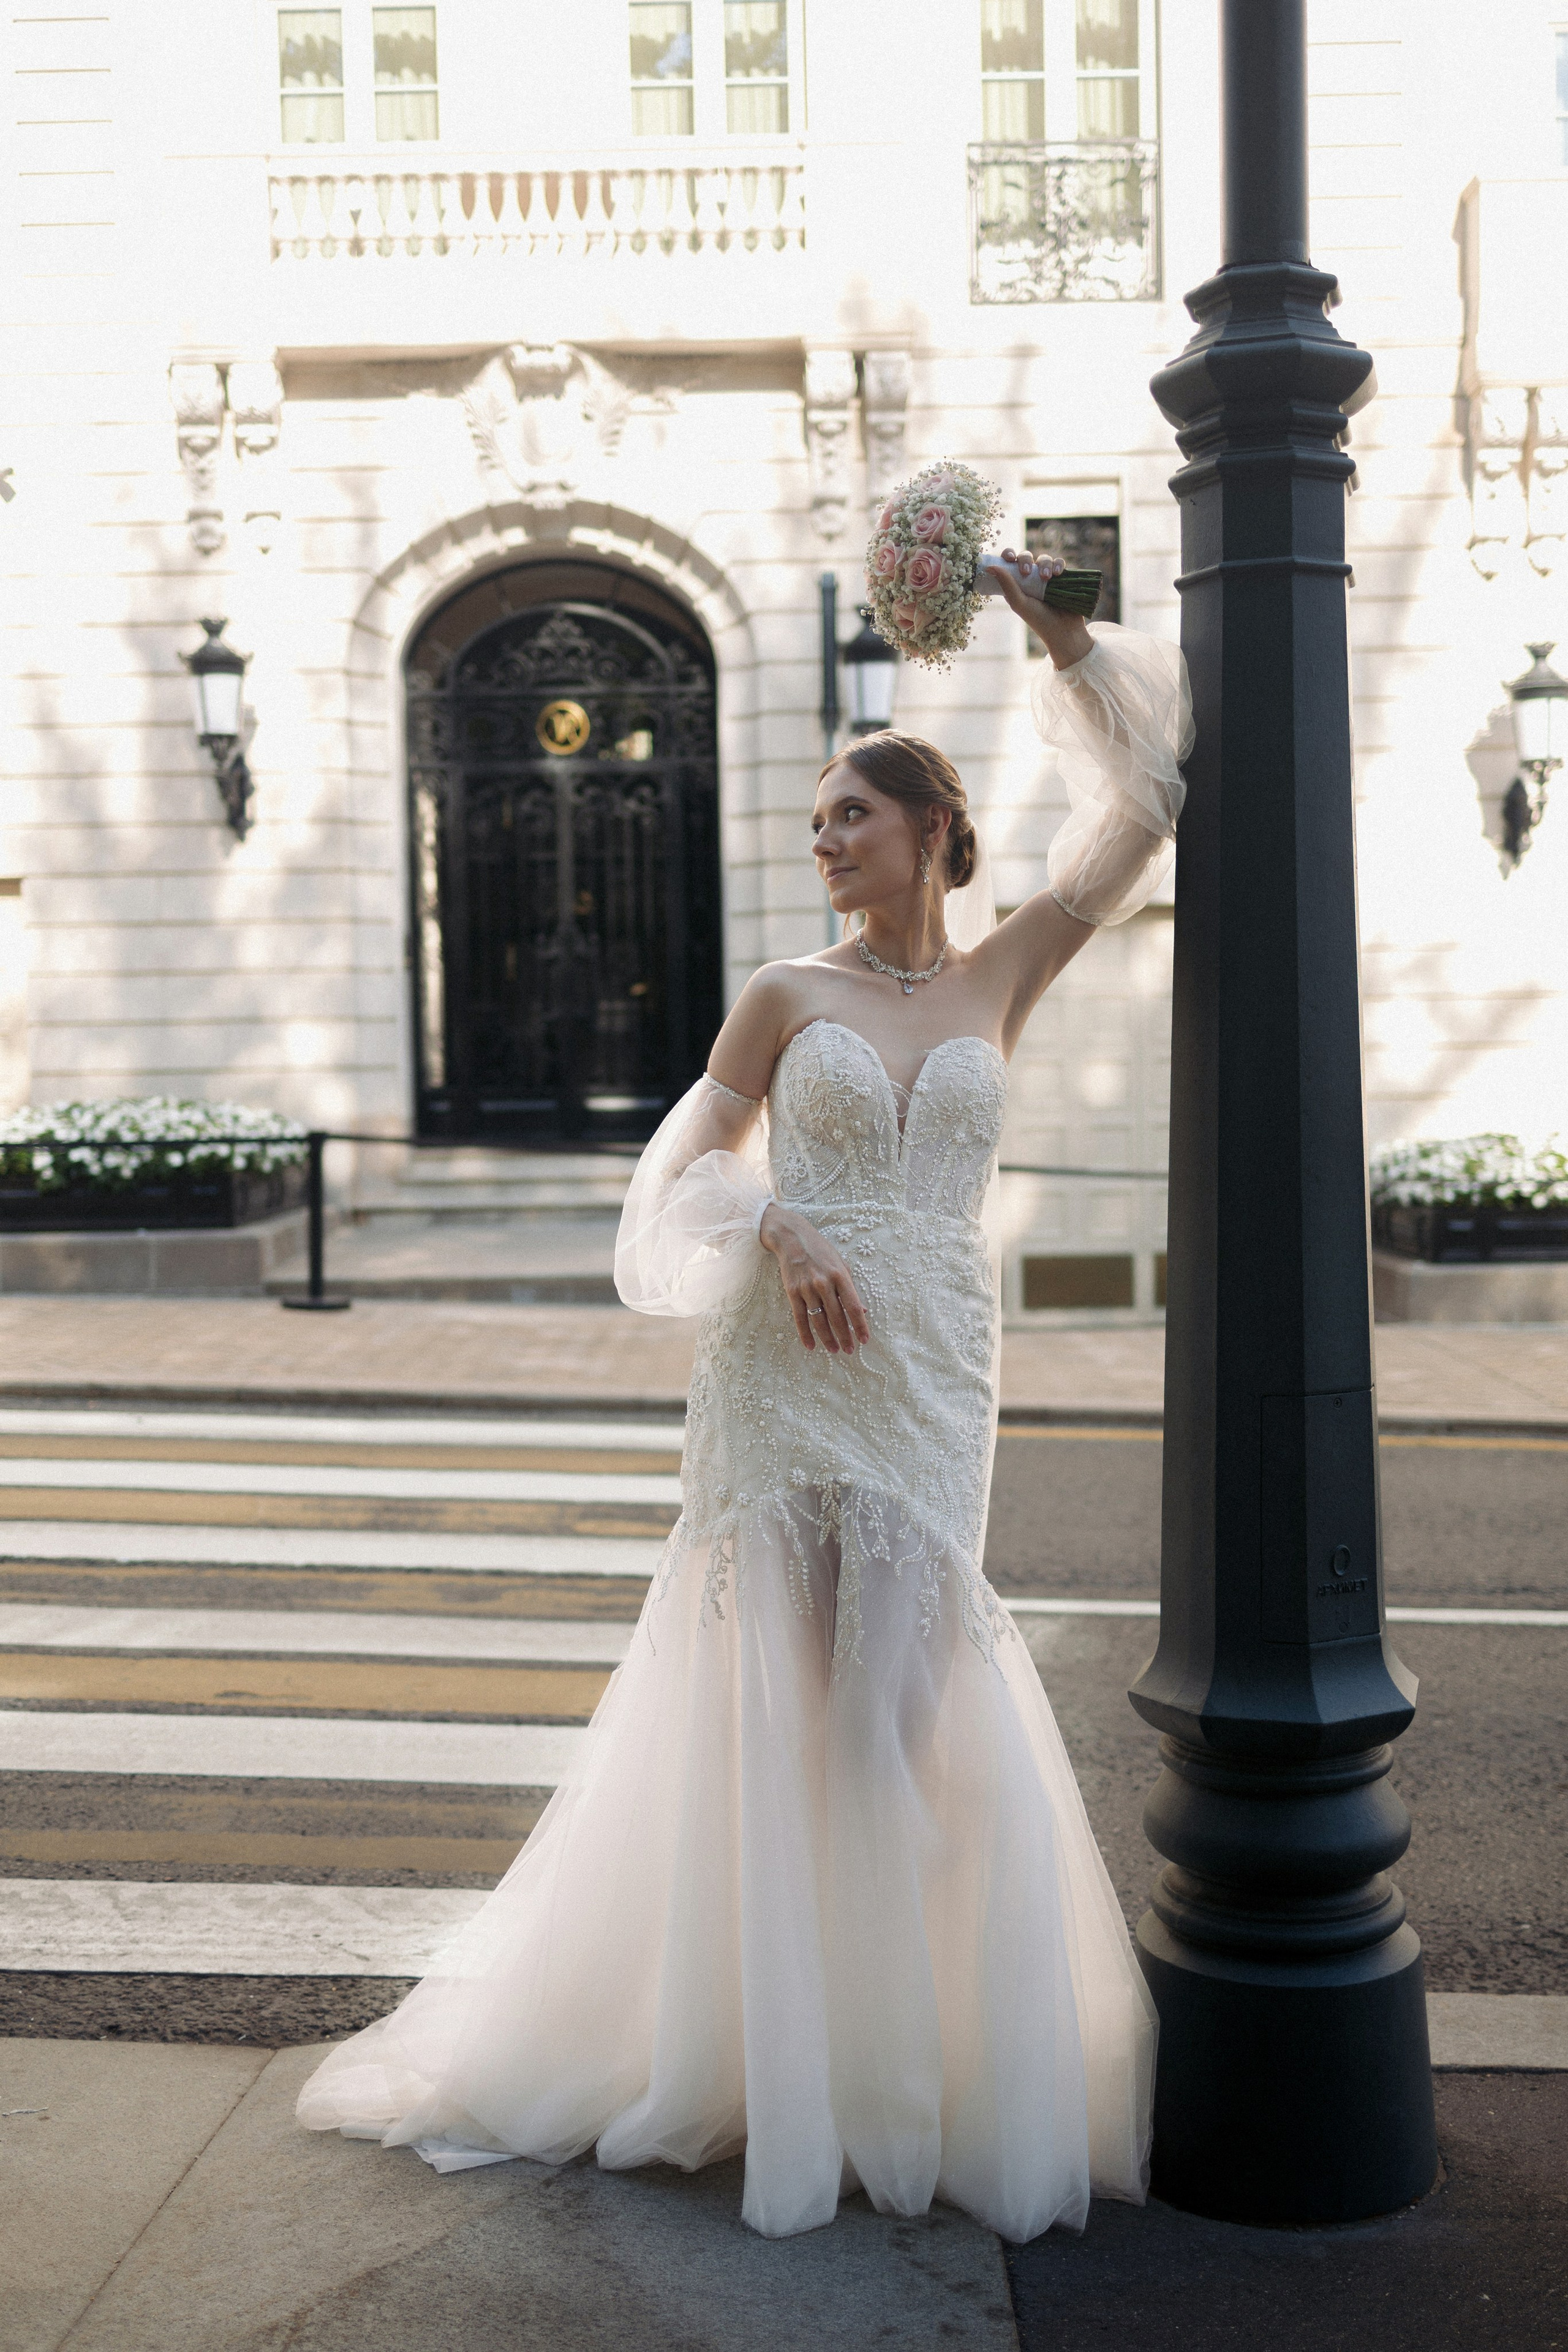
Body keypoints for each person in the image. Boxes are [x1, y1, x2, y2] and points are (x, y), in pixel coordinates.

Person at [297, 551, 1194, 2244]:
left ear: (932, 831)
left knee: (910, 1713)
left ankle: (904, 2062)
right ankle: (782, 2073)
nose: (824, 841)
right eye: (815, 824)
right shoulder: (786, 995)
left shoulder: (1006, 972)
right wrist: (773, 1222)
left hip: (937, 1372)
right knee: (784, 1708)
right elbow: (672, 1169)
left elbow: (1146, 797)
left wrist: (1060, 635)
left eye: (851, 815)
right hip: (790, 1372)